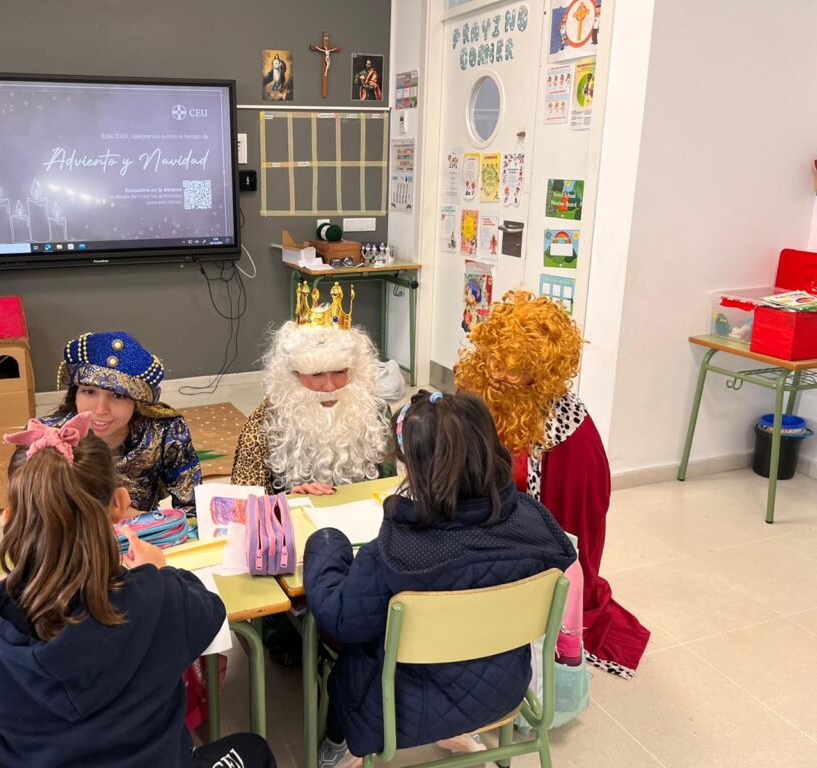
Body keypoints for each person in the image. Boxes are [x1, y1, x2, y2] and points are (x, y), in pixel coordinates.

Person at [0, 413, 277, 768]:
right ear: (119, 504)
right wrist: (159, 571)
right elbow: (210, 611)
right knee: (253, 749)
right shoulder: (159, 598)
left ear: (9, 517)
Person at [306, 391, 577, 767]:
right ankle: (462, 730)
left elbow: (340, 620)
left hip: (399, 711)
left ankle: (338, 746)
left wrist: (326, 543)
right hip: (503, 691)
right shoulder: (534, 524)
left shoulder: (396, 551)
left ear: (415, 471)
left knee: (349, 653)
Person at [455, 290, 651, 678]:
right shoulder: (475, 386)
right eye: (495, 360)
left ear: (541, 374)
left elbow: (579, 521)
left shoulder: (570, 435)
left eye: (515, 371)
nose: (498, 374)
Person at [231, 282, 392, 496]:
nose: (330, 386)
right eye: (317, 374)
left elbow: (392, 489)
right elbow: (243, 502)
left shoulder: (375, 415)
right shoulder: (264, 425)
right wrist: (289, 499)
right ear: (293, 376)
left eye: (340, 372)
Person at [44, 331, 201, 516]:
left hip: (146, 531)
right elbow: (31, 516)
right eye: (89, 392)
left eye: (118, 395)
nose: (100, 410)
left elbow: (193, 509)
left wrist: (143, 520)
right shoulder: (45, 436)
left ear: (137, 402)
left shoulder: (166, 432)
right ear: (75, 392)